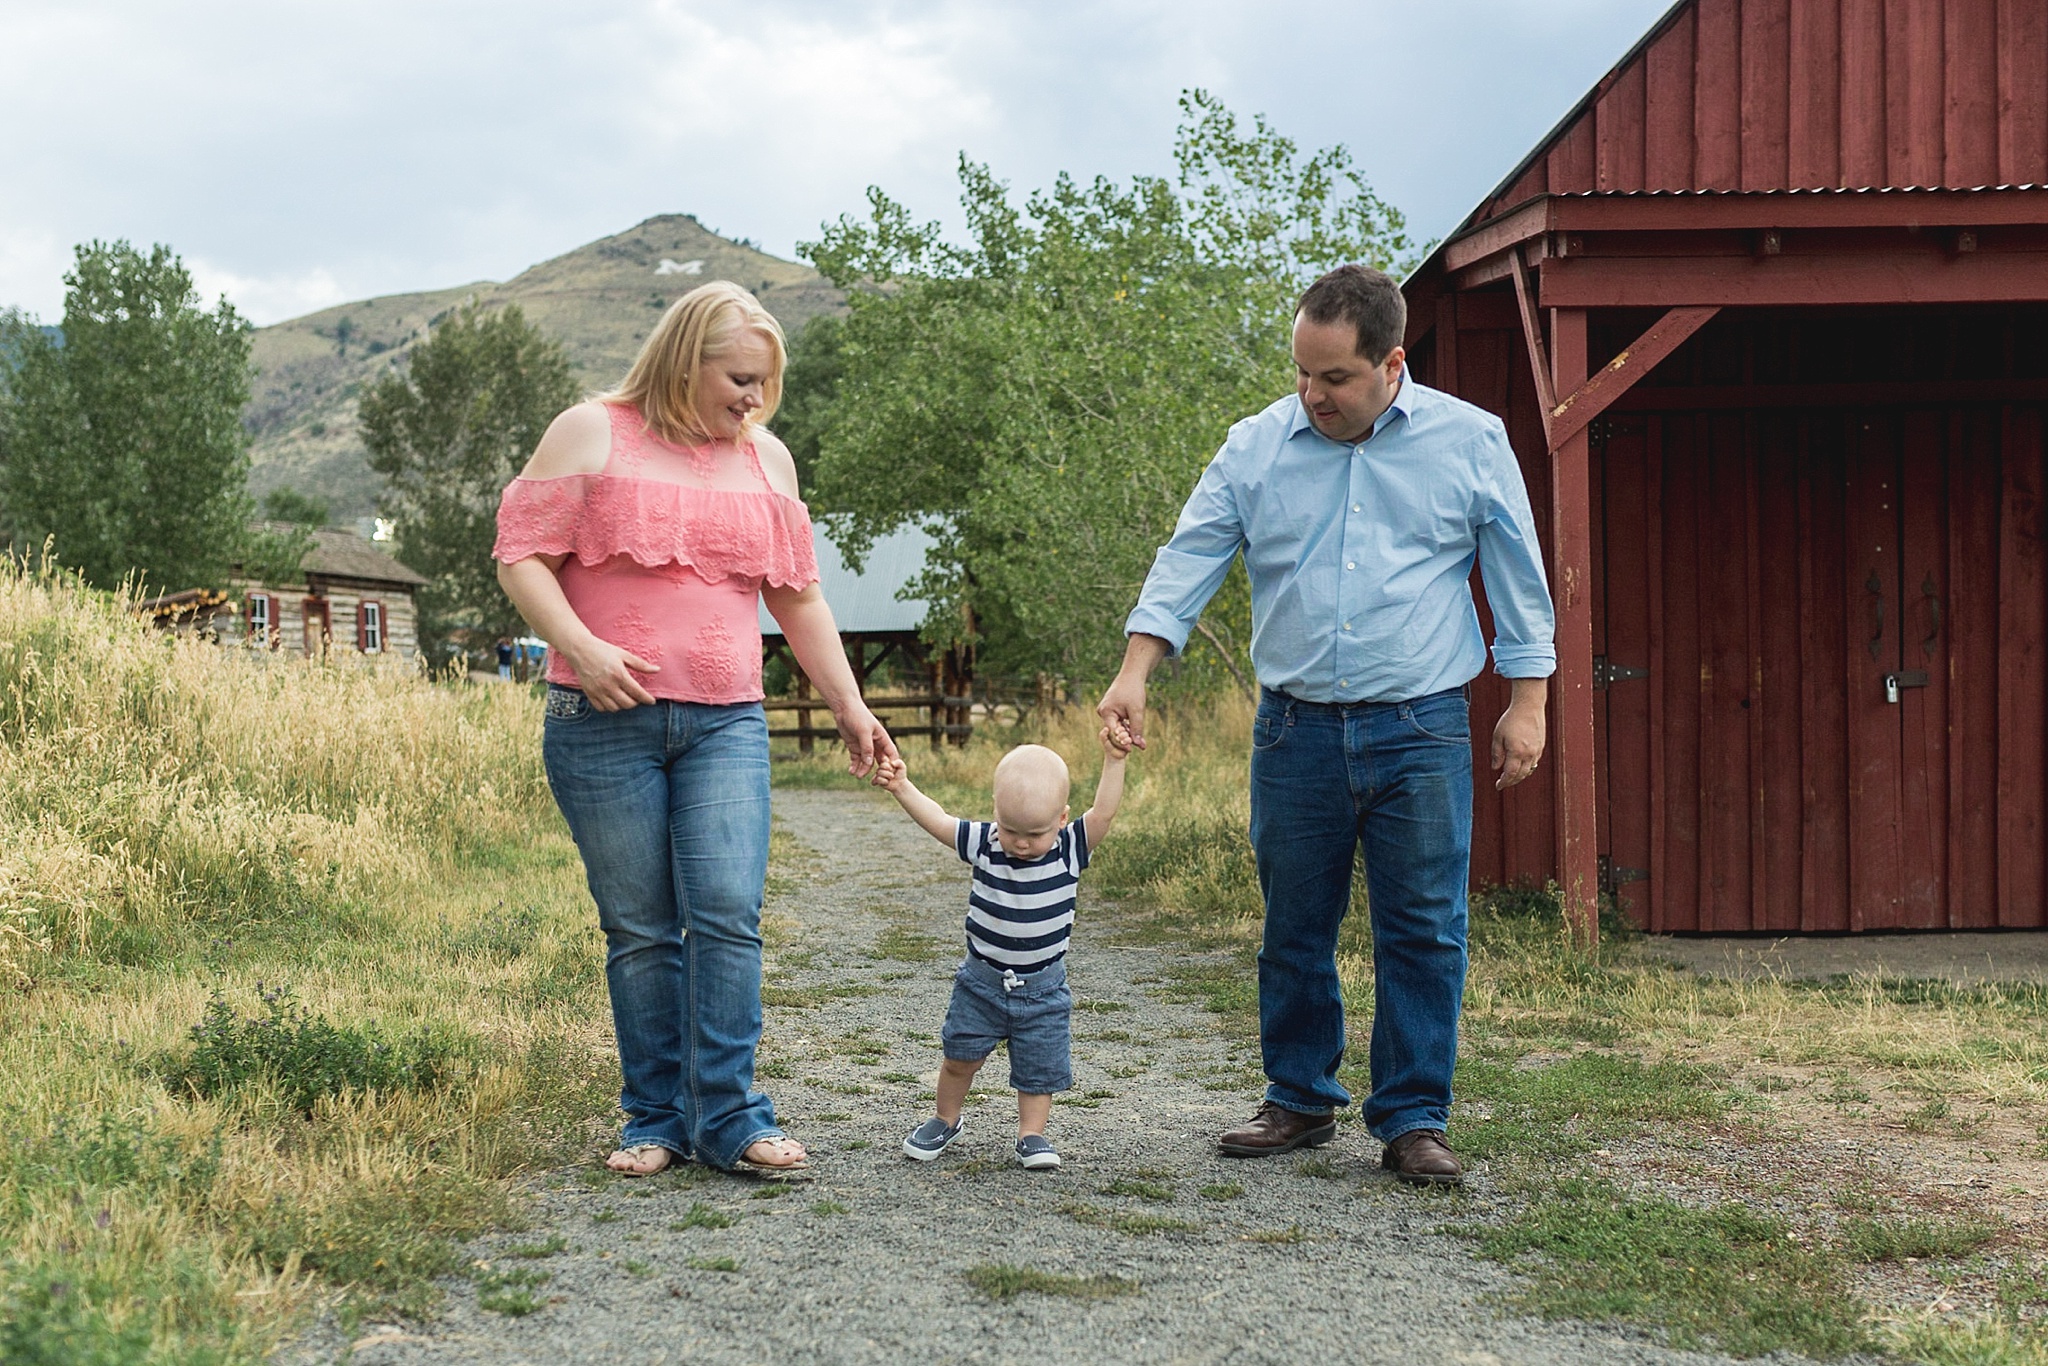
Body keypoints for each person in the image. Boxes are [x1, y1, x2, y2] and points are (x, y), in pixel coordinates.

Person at [1096, 265, 1553, 1187]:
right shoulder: (1255, 446)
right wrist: (1136, 670)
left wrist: (1527, 700)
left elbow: (1516, 573)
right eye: (1302, 374)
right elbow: (1189, 557)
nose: (1312, 396)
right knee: (1294, 924)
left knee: (1424, 927)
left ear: (1391, 363)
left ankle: (1415, 1116)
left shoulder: (1470, 441)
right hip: (1294, 732)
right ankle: (1299, 1097)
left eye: (1334, 378)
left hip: (1421, 728)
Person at [494, 280, 896, 1178]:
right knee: (640, 928)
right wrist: (580, 646)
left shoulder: (769, 462)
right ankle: (654, 1119)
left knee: (726, 915)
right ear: (687, 359)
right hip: (600, 721)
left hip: (727, 724)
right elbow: (522, 558)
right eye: (740, 379)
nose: (755, 400)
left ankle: (732, 1116)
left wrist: (849, 707)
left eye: (764, 384)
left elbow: (798, 598)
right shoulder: (590, 431)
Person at [874, 727, 1132, 1170]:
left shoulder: (1070, 849)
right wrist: (901, 786)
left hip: (1044, 990)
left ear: (1062, 819)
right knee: (959, 1057)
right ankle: (945, 1118)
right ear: (995, 812)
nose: (1021, 843)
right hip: (981, 984)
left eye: (1035, 833)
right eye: (1011, 829)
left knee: (1038, 1071)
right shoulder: (985, 843)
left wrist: (1115, 760)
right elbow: (938, 820)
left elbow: (1104, 812)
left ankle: (1031, 1135)